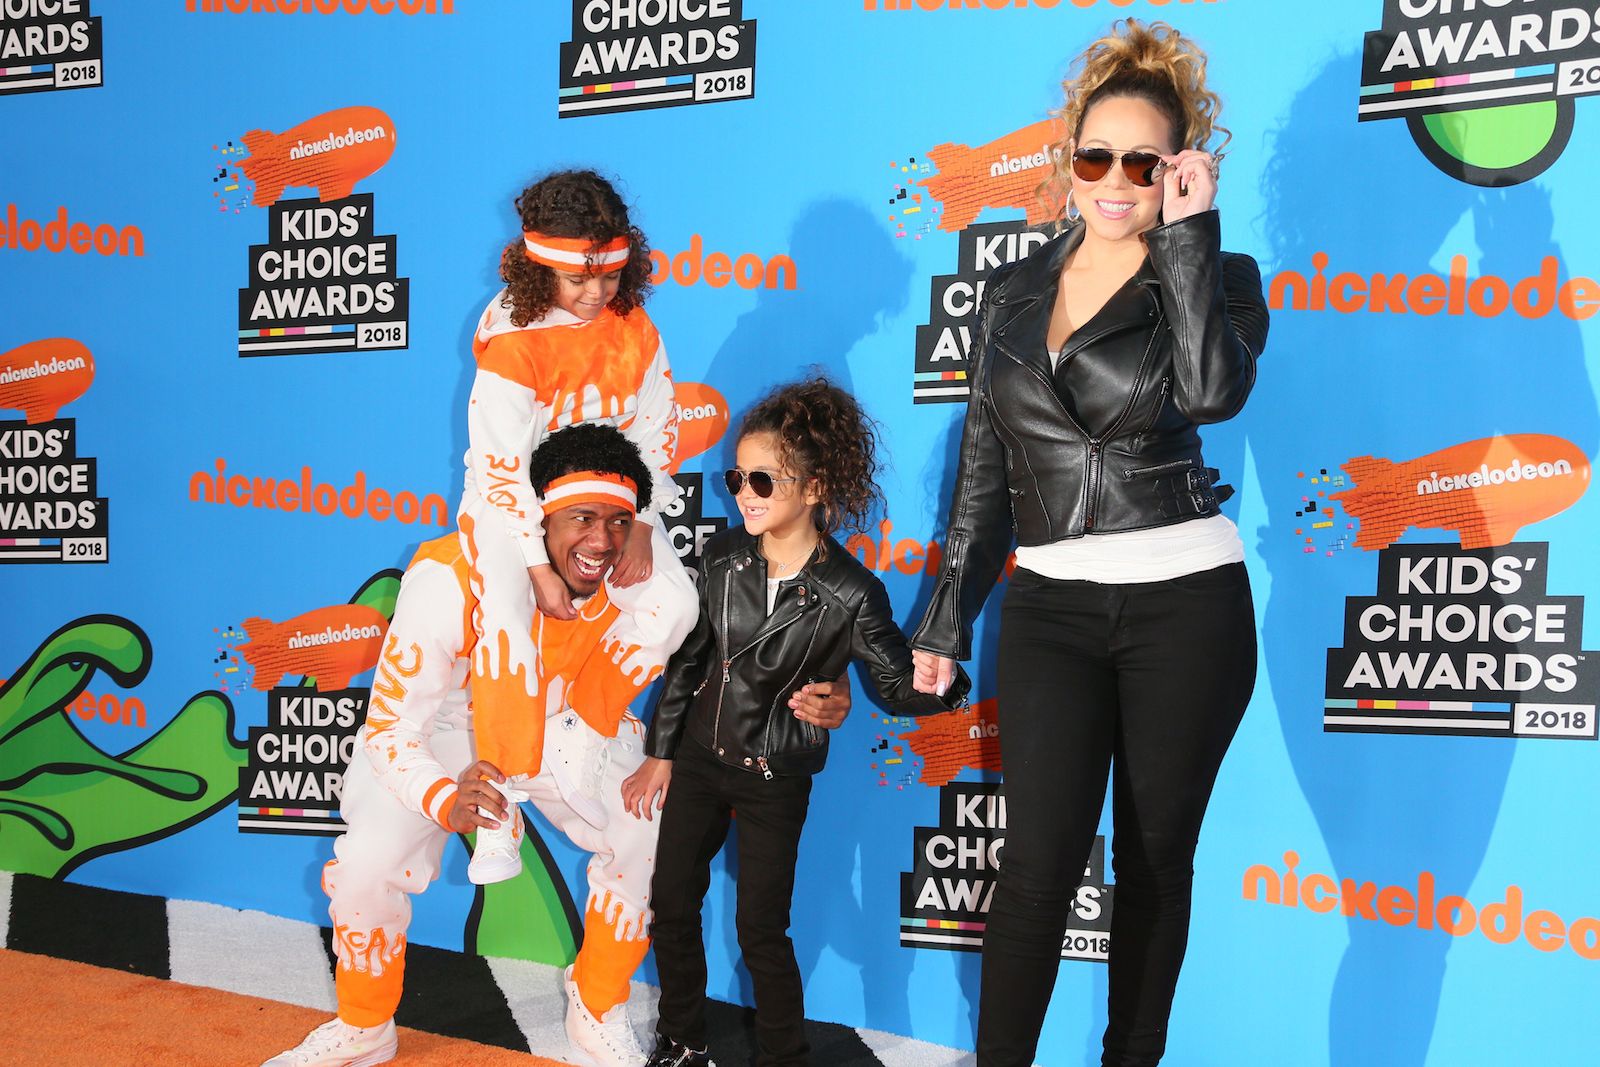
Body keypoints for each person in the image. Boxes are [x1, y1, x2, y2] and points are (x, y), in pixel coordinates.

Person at [261, 425, 854, 1067]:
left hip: (568, 728)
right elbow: (390, 728)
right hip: (446, 737)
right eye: (580, 519)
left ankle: (597, 1002)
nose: (601, 542)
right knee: (365, 863)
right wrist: (444, 798)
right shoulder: (449, 577)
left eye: (618, 521)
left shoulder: (640, 575)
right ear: (535, 521)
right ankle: (364, 1025)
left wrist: (831, 683)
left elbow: (738, 638)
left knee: (650, 825)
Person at [908, 20, 1270, 1067]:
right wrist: (945, 618)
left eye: (1143, 164)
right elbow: (983, 469)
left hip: (1186, 604)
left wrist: (1189, 240)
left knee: (1154, 862)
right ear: (1069, 159)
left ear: (1178, 169)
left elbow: (1211, 392)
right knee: (1035, 867)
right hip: (1051, 607)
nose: (1115, 182)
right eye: (1096, 157)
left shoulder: (1222, 274)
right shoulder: (1012, 291)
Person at [631, 378, 972, 1067]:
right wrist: (662, 750)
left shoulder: (851, 591)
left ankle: (784, 1056)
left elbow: (893, 684)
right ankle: (682, 1037)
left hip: (775, 775)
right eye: (736, 477)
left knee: (761, 929)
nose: (744, 493)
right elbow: (692, 661)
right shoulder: (722, 557)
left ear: (814, 488)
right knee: (671, 904)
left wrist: (949, 684)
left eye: (762, 479)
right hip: (699, 757)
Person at [459, 169, 698, 884]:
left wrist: (642, 521)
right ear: (540, 269)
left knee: (676, 604)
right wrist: (536, 563)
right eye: (577, 279)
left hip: (608, 505)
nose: (596, 293)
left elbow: (656, 428)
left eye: (610, 275)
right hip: (515, 511)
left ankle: (584, 730)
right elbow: (499, 467)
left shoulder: (635, 326)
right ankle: (498, 806)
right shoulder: (513, 337)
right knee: (506, 624)